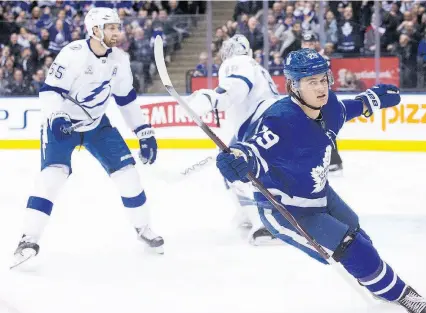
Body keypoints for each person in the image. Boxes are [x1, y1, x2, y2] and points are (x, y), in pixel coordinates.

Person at [215, 48, 426, 313]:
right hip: (288, 210)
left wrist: (372, 100)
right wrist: (238, 160)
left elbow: (347, 109)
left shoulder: (329, 105)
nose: (321, 88)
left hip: (320, 194)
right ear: (293, 86)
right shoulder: (280, 120)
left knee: (356, 230)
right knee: (352, 247)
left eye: (323, 79)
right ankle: (404, 294)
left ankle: (376, 280)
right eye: (312, 82)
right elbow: (253, 152)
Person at [12, 7, 164, 269]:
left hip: (96, 124)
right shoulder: (73, 54)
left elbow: (126, 99)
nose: (118, 31)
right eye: (112, 27)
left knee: (128, 174)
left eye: (118, 27)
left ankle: (143, 227)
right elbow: (49, 91)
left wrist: (143, 130)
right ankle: (28, 239)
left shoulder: (120, 59)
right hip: (62, 123)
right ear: (95, 30)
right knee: (52, 178)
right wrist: (57, 117)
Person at [187, 34, 280, 246]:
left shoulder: (238, 62)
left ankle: (265, 223)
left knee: (236, 169)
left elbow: (236, 86)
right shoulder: (257, 66)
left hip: (259, 126)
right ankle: (248, 213)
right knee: (231, 165)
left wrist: (211, 98)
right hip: (270, 125)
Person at [300, 31, 343, 173]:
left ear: (315, 44)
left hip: (321, 99)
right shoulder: (298, 61)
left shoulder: (323, 59)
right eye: (306, 43)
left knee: (326, 129)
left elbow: (326, 79)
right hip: (305, 99)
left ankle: (334, 160)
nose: (308, 46)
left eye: (311, 43)